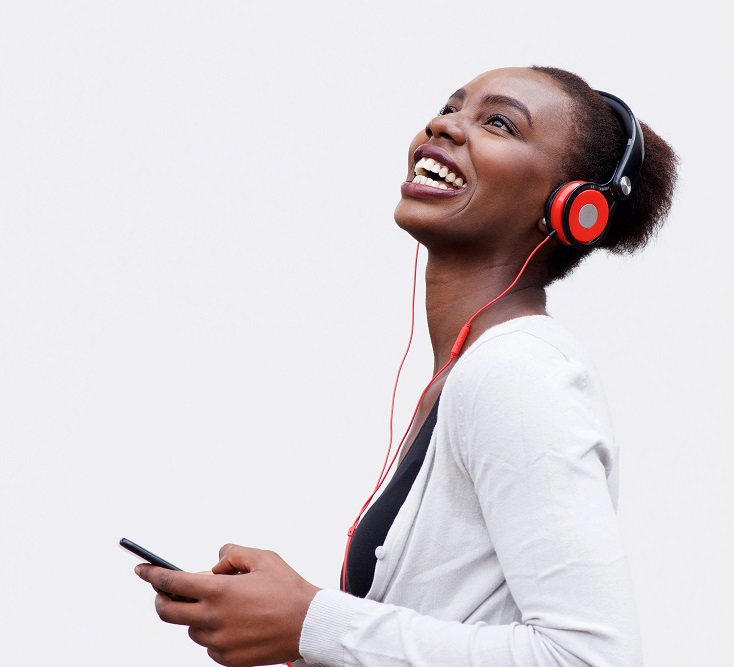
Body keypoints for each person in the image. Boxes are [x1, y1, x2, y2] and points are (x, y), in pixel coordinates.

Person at [134, 65, 678, 667]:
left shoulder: (520, 373)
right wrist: (291, 631)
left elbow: (589, 658)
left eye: (498, 122)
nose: (443, 126)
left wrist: (310, 621)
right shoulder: (471, 374)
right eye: (450, 107)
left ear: (573, 208)